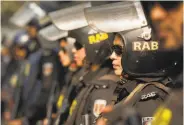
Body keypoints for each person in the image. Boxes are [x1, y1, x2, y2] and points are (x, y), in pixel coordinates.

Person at [81, 1, 182, 125]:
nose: (112, 56)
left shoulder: (149, 98)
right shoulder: (130, 90)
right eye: (113, 50)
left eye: (119, 50)